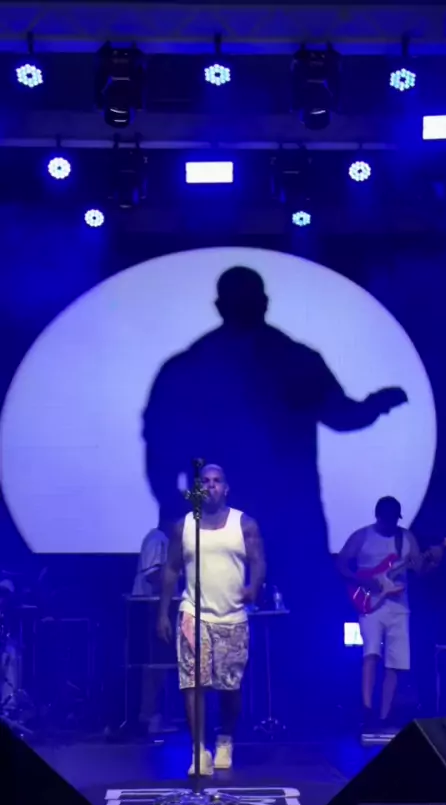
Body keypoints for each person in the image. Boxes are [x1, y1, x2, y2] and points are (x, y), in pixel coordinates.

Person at [144, 266, 407, 721]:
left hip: (276, 517)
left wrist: (177, 509)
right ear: (261, 303)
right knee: (253, 612)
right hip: (274, 516)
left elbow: (159, 450)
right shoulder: (287, 359)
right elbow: (343, 415)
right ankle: (318, 709)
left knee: (259, 611)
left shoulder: (197, 364)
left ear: (221, 305)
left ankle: (304, 708)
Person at [157, 463, 265, 775]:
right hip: (194, 614)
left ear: (226, 488)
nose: (211, 486)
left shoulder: (244, 524)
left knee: (230, 688)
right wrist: (162, 613)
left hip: (232, 618)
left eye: (217, 481)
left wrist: (254, 586)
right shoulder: (184, 526)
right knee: (192, 684)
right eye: (205, 481)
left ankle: (225, 740)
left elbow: (258, 562)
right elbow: (171, 570)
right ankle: (198, 750)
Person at [337, 496, 442, 734]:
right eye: (388, 518)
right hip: (371, 604)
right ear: (379, 516)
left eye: (395, 519)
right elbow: (341, 563)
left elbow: (419, 569)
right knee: (371, 654)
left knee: (395, 663)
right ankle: (367, 711)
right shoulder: (362, 536)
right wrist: (361, 580)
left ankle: (384, 716)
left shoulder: (406, 538)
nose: (392, 523)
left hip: (399, 606)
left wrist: (433, 561)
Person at [132, 518, 169, 734]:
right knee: (154, 665)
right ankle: (150, 717)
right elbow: (153, 574)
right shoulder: (158, 540)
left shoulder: (158, 539)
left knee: (157, 664)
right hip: (149, 609)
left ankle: (154, 715)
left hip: (152, 608)